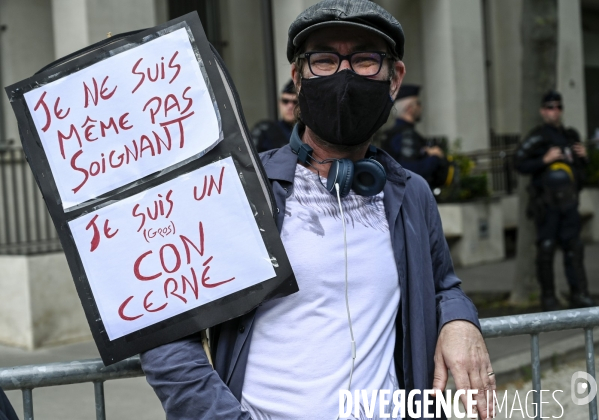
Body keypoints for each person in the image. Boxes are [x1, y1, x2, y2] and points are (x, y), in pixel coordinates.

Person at [141, 1, 495, 419]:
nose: (343, 75)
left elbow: (443, 285)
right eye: (324, 60)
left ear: (394, 79)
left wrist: (460, 322)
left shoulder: (411, 193)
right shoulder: (242, 189)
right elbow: (164, 329)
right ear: (299, 77)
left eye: (365, 60)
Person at [515, 90, 596, 311]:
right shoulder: (538, 137)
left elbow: (581, 172)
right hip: (547, 204)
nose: (555, 112)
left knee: (574, 248)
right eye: (550, 107)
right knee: (547, 249)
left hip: (569, 203)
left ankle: (579, 294)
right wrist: (544, 159)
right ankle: (548, 298)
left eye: (558, 107)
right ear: (543, 111)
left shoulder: (571, 135)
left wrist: (583, 158)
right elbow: (518, 163)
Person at [379, 84, 449, 189]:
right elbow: (409, 172)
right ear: (410, 108)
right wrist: (435, 156)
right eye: (418, 103)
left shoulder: (396, 133)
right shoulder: (406, 134)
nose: (421, 107)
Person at [251, 80, 298, 152]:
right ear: (279, 103)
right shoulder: (264, 131)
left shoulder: (308, 134)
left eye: (295, 102)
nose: (290, 106)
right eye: (285, 101)